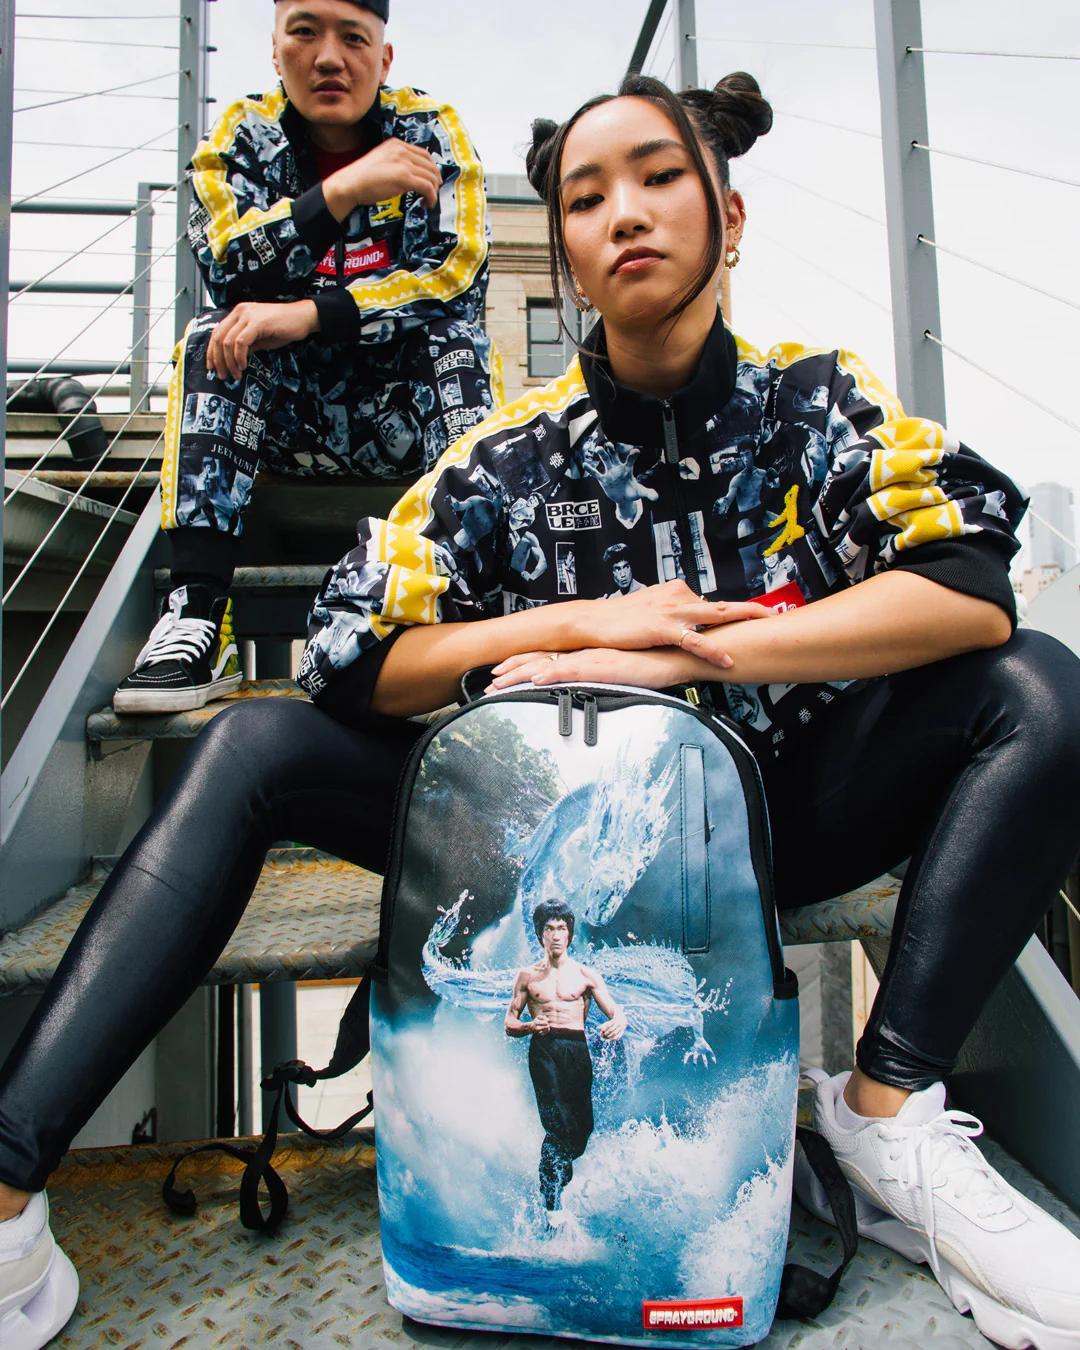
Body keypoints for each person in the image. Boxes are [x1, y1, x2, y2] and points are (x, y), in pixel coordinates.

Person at [1, 68, 1079, 1350]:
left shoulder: (812, 402)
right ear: (566, 250)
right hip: (537, 852)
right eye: (585, 196)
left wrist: (693, 658)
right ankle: (7, 1196)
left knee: (1039, 687)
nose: (625, 212)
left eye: (660, 177)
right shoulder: (512, 456)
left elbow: (968, 589)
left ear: (730, 217)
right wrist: (577, 628)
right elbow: (348, 654)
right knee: (253, 739)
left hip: (771, 824)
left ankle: (886, 1108)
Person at [112, 0, 498, 715]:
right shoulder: (244, 133)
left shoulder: (429, 131)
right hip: (279, 422)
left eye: (353, 38)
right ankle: (195, 613)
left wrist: (312, 313)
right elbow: (223, 263)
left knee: (458, 344)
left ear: (383, 59)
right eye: (305, 32)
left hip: (399, 417)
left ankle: (478, 608)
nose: (328, 58)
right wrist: (339, 193)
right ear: (275, 48)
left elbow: (455, 277)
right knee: (214, 333)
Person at [504, 899, 625, 1228]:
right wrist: (530, 1026)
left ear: (569, 933)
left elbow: (616, 1012)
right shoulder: (527, 976)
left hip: (576, 1049)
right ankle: (551, 1203)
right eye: (549, 929)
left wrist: (619, 1022)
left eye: (561, 928)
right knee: (557, 1126)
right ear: (540, 935)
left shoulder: (586, 975)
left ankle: (554, 1177)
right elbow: (510, 1023)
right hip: (544, 1049)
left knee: (581, 1130)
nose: (556, 935)